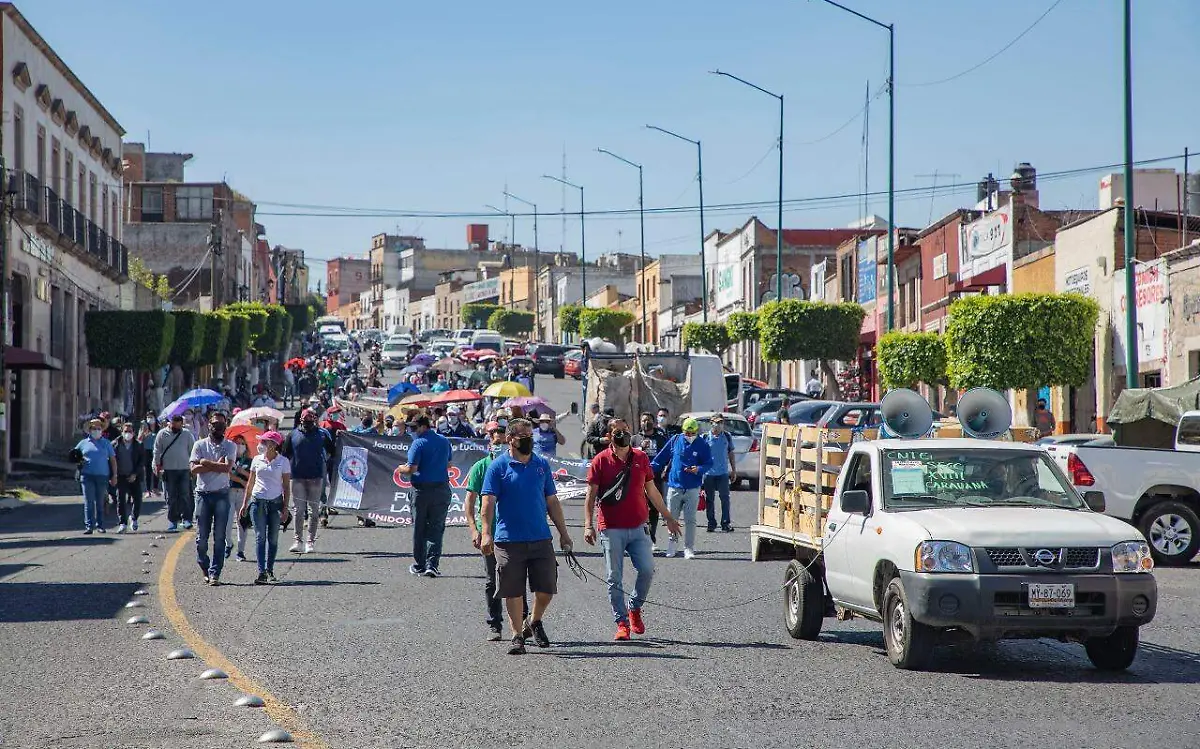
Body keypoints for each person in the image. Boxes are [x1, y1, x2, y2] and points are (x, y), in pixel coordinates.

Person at [480, 418, 573, 655]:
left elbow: (552, 501)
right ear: (510, 439)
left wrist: (564, 533)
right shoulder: (498, 467)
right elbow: (488, 502)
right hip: (509, 539)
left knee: (546, 588)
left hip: (540, 537)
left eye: (530, 436)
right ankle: (516, 635)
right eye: (524, 437)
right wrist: (486, 533)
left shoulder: (541, 465)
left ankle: (534, 620)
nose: (529, 440)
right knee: (512, 590)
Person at [584, 418, 681, 641]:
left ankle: (634, 607)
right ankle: (621, 623)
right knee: (613, 577)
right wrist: (588, 525)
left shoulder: (641, 457)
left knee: (647, 570)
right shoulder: (600, 460)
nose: (623, 434)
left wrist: (668, 517)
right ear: (609, 436)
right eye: (618, 431)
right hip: (611, 528)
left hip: (638, 526)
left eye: (626, 430)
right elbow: (590, 496)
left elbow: (652, 491)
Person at [464, 421, 529, 641]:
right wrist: (475, 530)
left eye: (502, 437)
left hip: (513, 532)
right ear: (489, 441)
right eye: (494, 437)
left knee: (518, 578)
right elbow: (470, 501)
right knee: (493, 579)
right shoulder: (481, 467)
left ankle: (523, 622)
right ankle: (495, 624)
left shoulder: (518, 464)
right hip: (490, 533)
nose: (498, 440)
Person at [397, 415, 453, 577]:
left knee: (419, 528)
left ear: (423, 427)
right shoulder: (443, 441)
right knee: (436, 527)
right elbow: (449, 464)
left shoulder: (418, 443)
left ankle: (421, 564)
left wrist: (401, 468)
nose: (411, 431)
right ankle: (432, 564)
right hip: (441, 488)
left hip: (421, 490)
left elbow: (411, 469)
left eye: (414, 428)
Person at [650, 417, 712, 559]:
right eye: (686, 433)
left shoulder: (702, 444)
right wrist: (648, 470)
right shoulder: (675, 440)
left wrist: (699, 469)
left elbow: (709, 463)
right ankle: (672, 546)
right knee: (671, 518)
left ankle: (688, 548)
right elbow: (660, 459)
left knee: (690, 519)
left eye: (692, 433)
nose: (689, 436)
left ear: (696, 432)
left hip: (692, 488)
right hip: (674, 486)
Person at [189, 412, 238, 585]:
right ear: (208, 425)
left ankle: (215, 572)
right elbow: (193, 470)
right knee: (202, 537)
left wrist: (205, 463)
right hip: (203, 494)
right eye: (215, 424)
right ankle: (203, 563)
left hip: (221, 494)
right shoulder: (199, 444)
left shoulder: (230, 446)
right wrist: (214, 464)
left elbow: (227, 468)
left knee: (219, 536)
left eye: (221, 424)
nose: (218, 427)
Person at [240, 431, 292, 585]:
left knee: (273, 538)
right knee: (259, 537)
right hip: (258, 502)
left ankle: (270, 569)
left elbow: (286, 486)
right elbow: (250, 482)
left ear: (273, 445)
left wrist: (285, 507)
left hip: (275, 503)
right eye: (261, 442)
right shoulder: (256, 460)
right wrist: (245, 503)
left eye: (264, 442)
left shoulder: (283, 461)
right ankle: (261, 571)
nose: (260, 445)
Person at [284, 409, 334, 554]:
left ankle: (310, 542)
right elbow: (285, 454)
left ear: (315, 421)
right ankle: (298, 540)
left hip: (316, 477)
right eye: (306, 422)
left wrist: (322, 462)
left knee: (313, 512)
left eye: (310, 422)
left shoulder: (322, 434)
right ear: (301, 421)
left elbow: (332, 450)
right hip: (297, 477)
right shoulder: (292, 434)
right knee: (298, 510)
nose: (308, 425)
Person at [153, 414, 197, 532]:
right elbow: (157, 451)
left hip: (184, 469)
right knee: (171, 496)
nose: (177, 427)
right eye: (174, 424)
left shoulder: (187, 434)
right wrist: (157, 467)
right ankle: (173, 521)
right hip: (168, 470)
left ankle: (187, 519)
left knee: (185, 495)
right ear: (170, 423)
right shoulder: (162, 434)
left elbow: (192, 451)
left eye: (179, 425)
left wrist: (193, 468)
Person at [75, 418, 117, 534]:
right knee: (88, 502)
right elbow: (74, 455)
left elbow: (113, 459)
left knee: (100, 502)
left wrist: (114, 475)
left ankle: (100, 525)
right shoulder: (83, 443)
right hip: (87, 476)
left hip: (102, 476)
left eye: (99, 428)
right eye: (94, 428)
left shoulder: (106, 443)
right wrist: (79, 461)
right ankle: (89, 526)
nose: (96, 430)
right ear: (89, 430)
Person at [636, 412, 670, 548]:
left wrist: (665, 469)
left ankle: (651, 537)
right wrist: (640, 448)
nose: (646, 423)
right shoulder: (635, 438)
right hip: (637, 480)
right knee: (639, 509)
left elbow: (668, 455)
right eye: (643, 420)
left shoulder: (661, 438)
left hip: (655, 480)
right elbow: (628, 455)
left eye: (648, 420)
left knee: (654, 509)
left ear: (653, 422)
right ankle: (640, 537)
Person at [702, 415, 738, 533]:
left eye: (720, 422)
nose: (717, 425)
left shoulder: (727, 436)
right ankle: (711, 523)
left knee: (725, 499)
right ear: (710, 423)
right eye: (715, 422)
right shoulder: (705, 437)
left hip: (722, 473)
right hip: (709, 474)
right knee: (709, 499)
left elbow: (731, 453)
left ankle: (725, 523)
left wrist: (733, 470)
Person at [114, 421, 147, 533]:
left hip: (134, 476)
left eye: (130, 431)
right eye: (125, 431)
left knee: (137, 498)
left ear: (134, 432)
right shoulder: (115, 444)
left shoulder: (138, 445)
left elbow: (142, 461)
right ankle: (122, 523)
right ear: (122, 432)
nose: (128, 433)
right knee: (121, 499)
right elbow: (111, 460)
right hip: (121, 476)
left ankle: (134, 518)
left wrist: (135, 474)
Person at [228, 435, 255, 562]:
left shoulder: (250, 461)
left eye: (242, 443)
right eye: (237, 443)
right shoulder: (228, 459)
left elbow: (253, 477)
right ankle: (228, 543)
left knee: (242, 523)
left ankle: (240, 551)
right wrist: (238, 478)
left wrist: (241, 472)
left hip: (243, 494)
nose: (240, 446)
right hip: (229, 492)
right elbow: (225, 474)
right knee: (227, 523)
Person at [138, 415, 159, 496]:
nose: (150, 419)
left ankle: (155, 488)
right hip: (146, 450)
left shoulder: (158, 427)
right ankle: (148, 490)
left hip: (156, 450)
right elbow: (139, 439)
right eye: (148, 417)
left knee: (156, 469)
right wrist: (144, 432)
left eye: (151, 417)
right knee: (148, 470)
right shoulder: (144, 428)